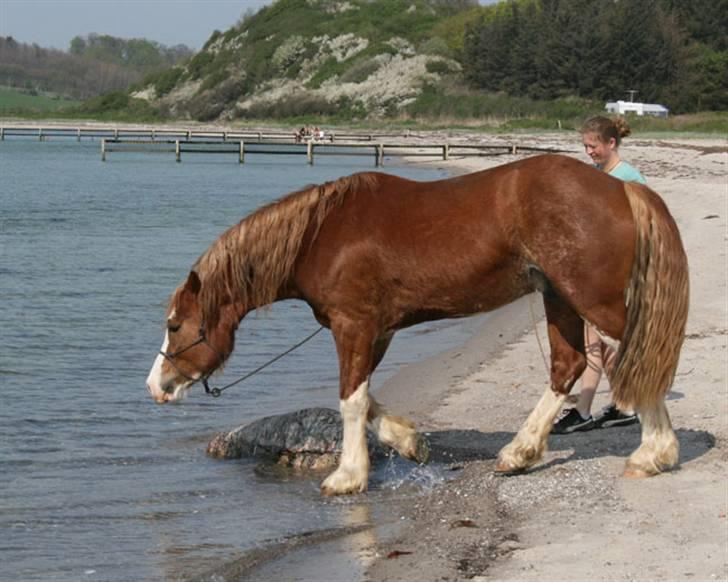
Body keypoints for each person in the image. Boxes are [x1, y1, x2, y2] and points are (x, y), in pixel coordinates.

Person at [552, 116, 644, 434]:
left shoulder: (629, 178)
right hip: (595, 272)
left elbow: (639, 230)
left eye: (593, 146)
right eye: (585, 146)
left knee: (595, 340)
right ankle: (621, 405)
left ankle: (587, 410)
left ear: (611, 144)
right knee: (598, 342)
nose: (588, 151)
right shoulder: (594, 175)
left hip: (620, 272)